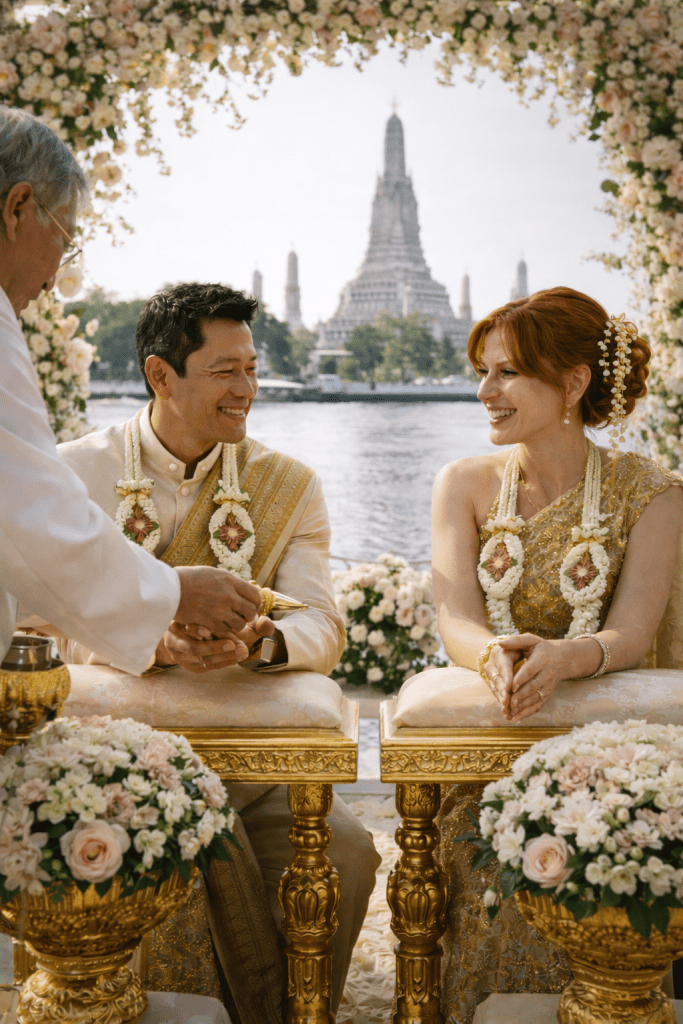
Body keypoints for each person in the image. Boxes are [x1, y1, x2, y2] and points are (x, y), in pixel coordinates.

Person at [31, 281, 380, 1022]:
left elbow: (321, 621)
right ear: (162, 375)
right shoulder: (72, 475)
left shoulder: (289, 485)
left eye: (251, 369)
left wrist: (262, 641)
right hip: (115, 761)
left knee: (348, 857)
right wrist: (150, 638)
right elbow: (36, 631)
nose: (247, 389)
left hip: (252, 760)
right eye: (226, 372)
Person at [422, 287, 683, 1020]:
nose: (485, 392)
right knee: (490, 883)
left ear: (572, 383)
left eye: (507, 373)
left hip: (613, 763)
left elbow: (633, 633)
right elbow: (455, 621)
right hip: (490, 751)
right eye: (483, 371)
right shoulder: (464, 486)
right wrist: (495, 658)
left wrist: (566, 658)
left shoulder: (652, 493)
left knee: (594, 868)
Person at [0, 105, 262, 676]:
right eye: (64, 243)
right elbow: (27, 513)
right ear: (18, 208)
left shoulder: (286, 478)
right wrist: (171, 596)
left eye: (252, 368)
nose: (52, 280)